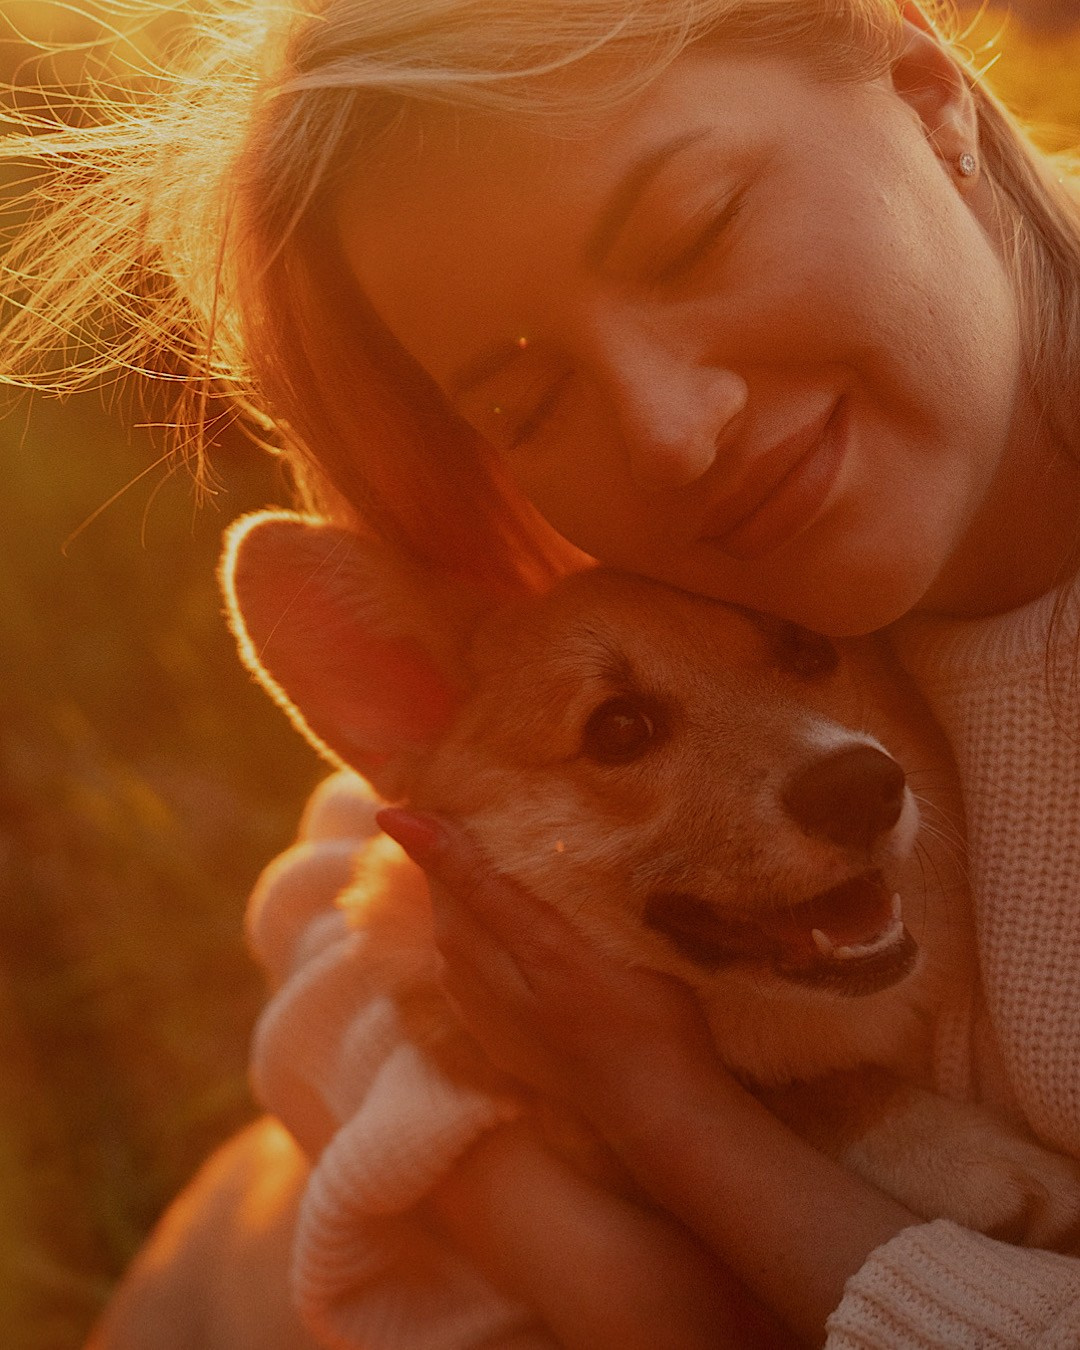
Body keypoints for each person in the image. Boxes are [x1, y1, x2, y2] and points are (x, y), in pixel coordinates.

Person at [5, 0, 1080, 1345]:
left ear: (931, 90)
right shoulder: (785, 539)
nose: (672, 430)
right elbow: (370, 885)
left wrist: (680, 1187)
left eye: (695, 228)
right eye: (526, 398)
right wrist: (546, 1164)